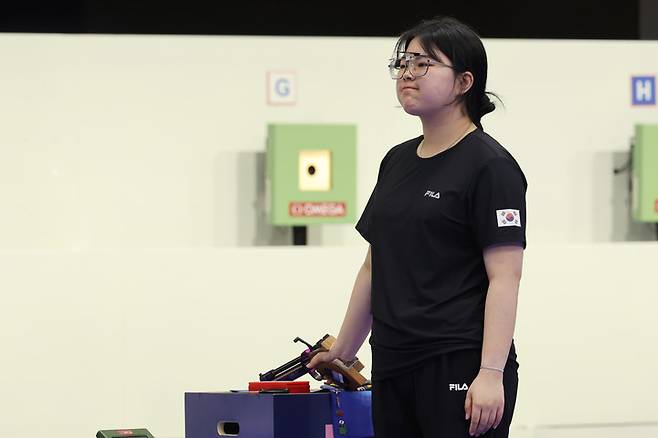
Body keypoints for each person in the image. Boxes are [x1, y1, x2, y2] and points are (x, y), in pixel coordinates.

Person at [308, 15, 526, 438]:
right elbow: (375, 266)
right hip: (392, 360)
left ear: (465, 82)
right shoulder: (397, 160)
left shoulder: (491, 166)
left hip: (458, 361)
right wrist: (342, 352)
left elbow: (506, 277)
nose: (407, 73)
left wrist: (490, 374)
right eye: (403, 62)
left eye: (424, 63)